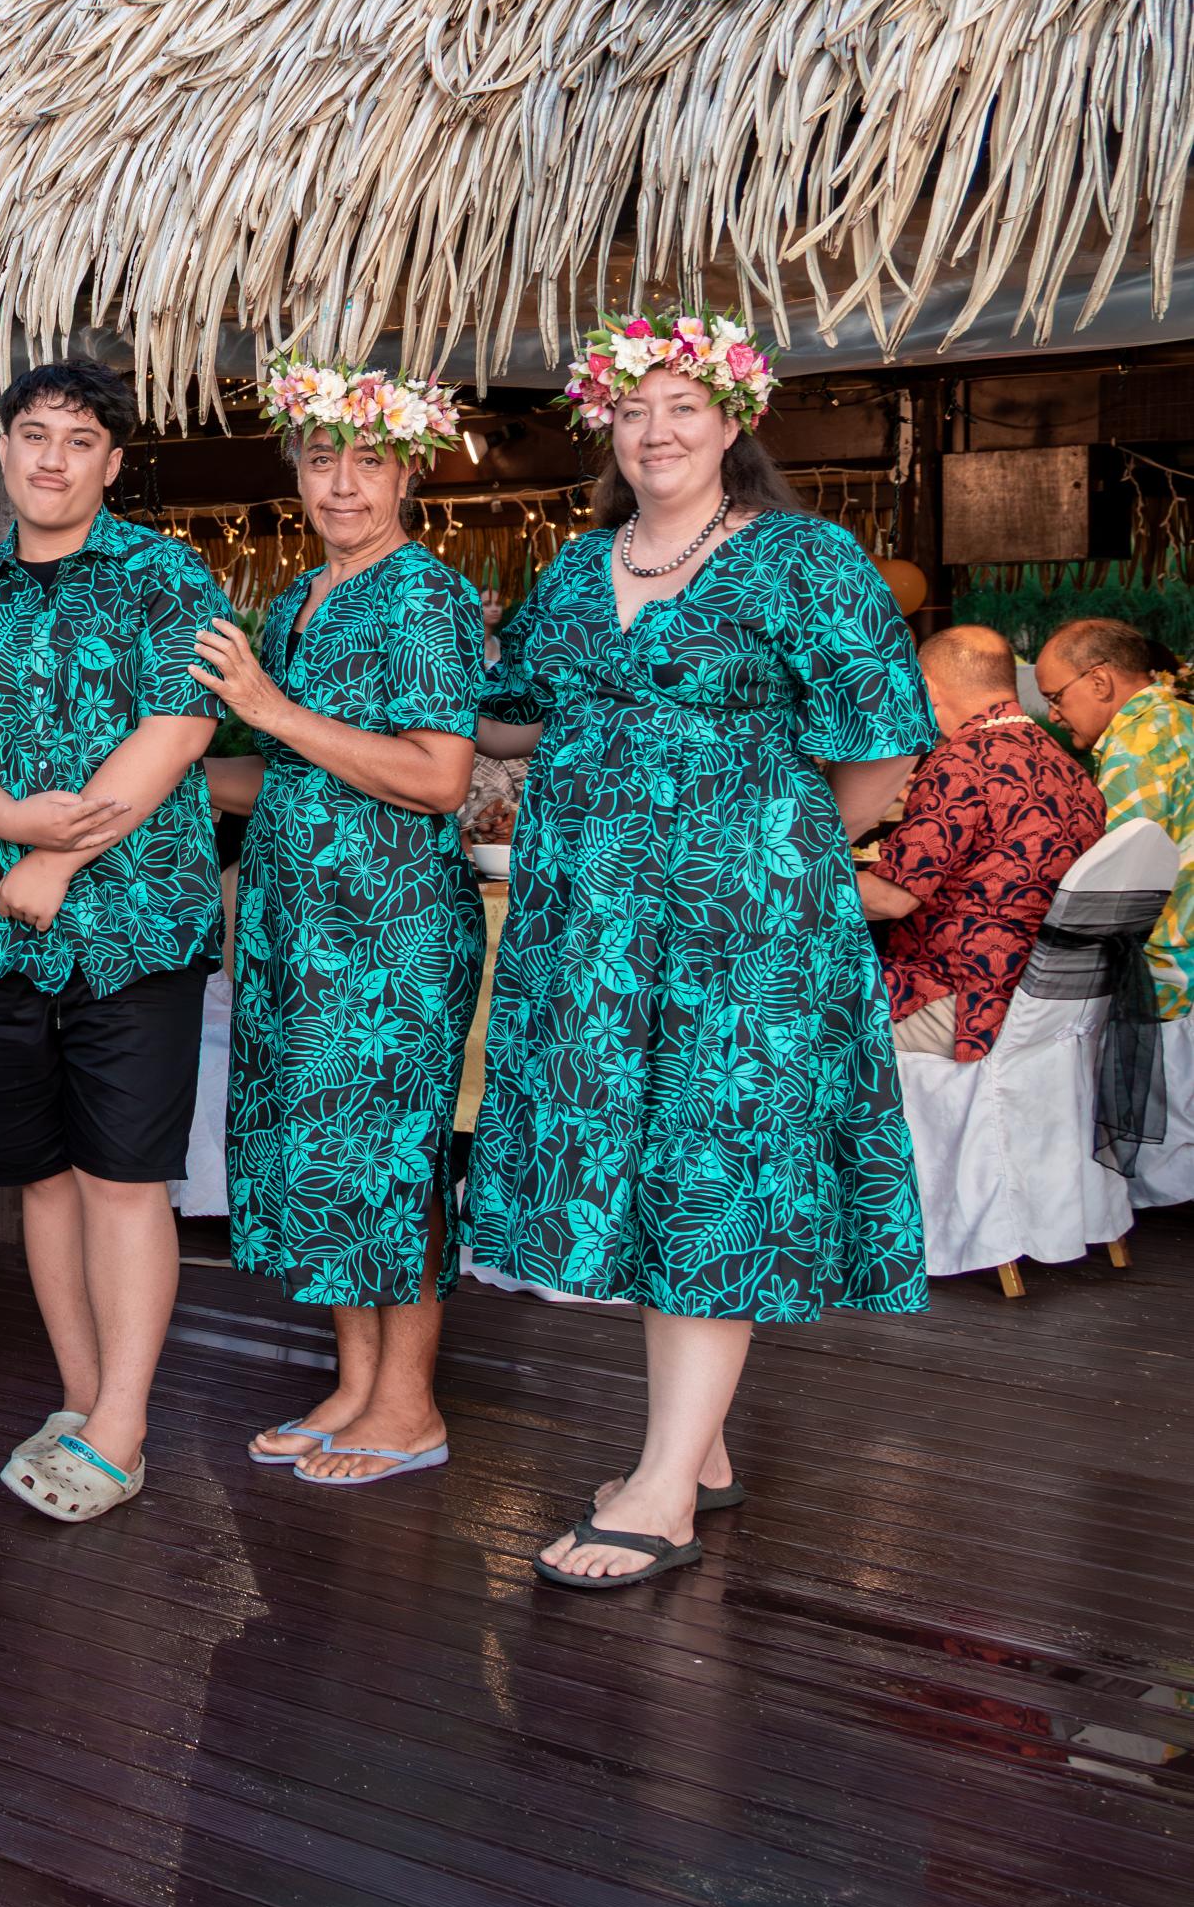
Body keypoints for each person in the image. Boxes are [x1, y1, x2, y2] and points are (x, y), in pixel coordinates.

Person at [471, 313, 928, 1590]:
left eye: (682, 406)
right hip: (593, 934)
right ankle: (701, 1447)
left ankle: (663, 1490)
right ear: (607, 429)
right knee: (644, 1169)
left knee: (712, 1172)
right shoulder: (579, 567)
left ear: (733, 421)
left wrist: (771, 857)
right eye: (633, 410)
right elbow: (509, 721)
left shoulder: (801, 558)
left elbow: (882, 740)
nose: (656, 430)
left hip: (745, 936)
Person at [0, 360, 226, 1522]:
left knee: (121, 1181)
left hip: (136, 928)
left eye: (79, 440)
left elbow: (178, 729)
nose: (52, 457)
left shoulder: (166, 575)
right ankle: (82, 1402)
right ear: (4, 449)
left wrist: (55, 857)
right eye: (34, 434)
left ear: (112, 463)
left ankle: (122, 1427)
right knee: (37, 1179)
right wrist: (9, 824)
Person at [189, 361, 485, 1489]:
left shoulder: (424, 595)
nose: (343, 483)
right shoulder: (297, 600)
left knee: (391, 1160)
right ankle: (356, 1386)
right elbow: (291, 776)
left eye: (368, 461)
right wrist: (156, 774)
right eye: (322, 460)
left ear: (408, 473)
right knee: (327, 1158)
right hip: (295, 925)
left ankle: (409, 1404)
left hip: (390, 929)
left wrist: (268, 709)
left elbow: (436, 776)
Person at [864, 625, 1101, 1060]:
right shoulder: (1068, 766)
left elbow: (893, 899)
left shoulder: (961, 761)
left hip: (964, 1001)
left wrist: (789, 875)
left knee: (794, 1035)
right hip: (1044, 1006)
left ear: (927, 686)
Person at [1038, 616, 1194, 1023]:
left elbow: (1107, 892)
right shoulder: (1183, 718)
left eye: (1055, 697)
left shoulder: (1135, 749)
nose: (1053, 715)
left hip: (1170, 984)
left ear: (1099, 682)